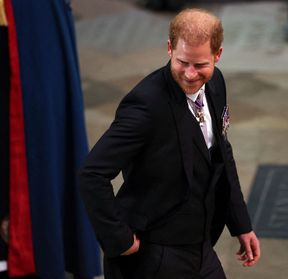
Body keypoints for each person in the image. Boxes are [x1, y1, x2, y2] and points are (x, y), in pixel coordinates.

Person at [79, 8, 260, 279]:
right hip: (154, 255)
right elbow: (92, 173)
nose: (189, 74)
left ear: (217, 55)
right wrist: (120, 238)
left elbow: (223, 153)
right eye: (182, 62)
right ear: (169, 48)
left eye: (200, 65)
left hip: (201, 247)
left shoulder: (216, 84)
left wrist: (241, 224)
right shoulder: (145, 106)